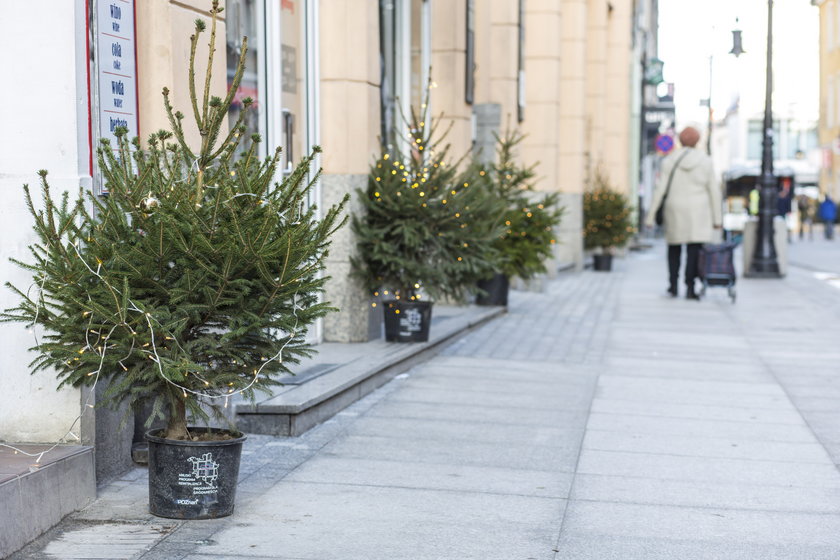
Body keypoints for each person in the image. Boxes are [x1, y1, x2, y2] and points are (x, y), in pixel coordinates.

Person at [645, 126, 722, 300]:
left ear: (680, 140)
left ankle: (673, 286)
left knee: (674, 248)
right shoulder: (705, 161)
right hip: (699, 210)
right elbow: (714, 191)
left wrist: (650, 216)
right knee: (694, 250)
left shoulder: (670, 160)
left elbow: (660, 190)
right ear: (698, 140)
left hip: (675, 208)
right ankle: (690, 288)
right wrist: (717, 219)